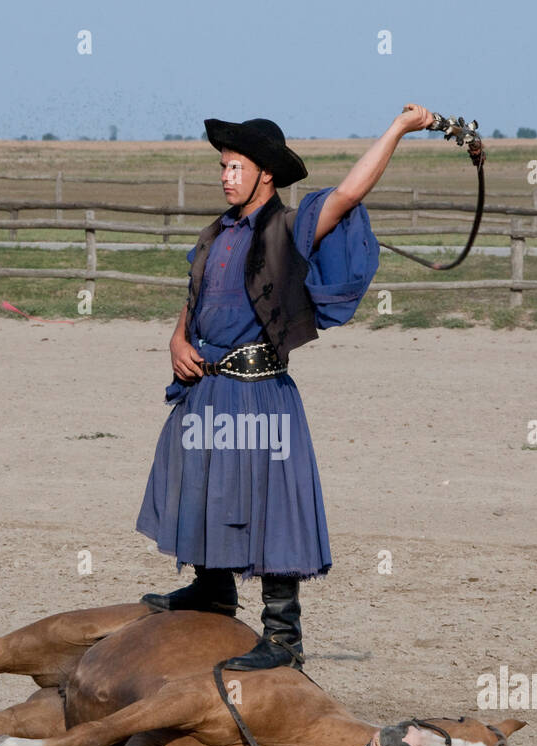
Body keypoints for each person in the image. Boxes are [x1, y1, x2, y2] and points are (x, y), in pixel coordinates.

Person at [137, 105, 436, 670]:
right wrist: (176, 341)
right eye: (222, 167)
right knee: (205, 489)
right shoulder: (212, 235)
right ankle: (213, 591)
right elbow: (192, 298)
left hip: (260, 392)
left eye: (235, 167)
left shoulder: (290, 227)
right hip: (208, 390)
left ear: (265, 174)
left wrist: (397, 129)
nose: (225, 176)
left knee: (269, 506)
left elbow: (348, 194)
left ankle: (283, 637)